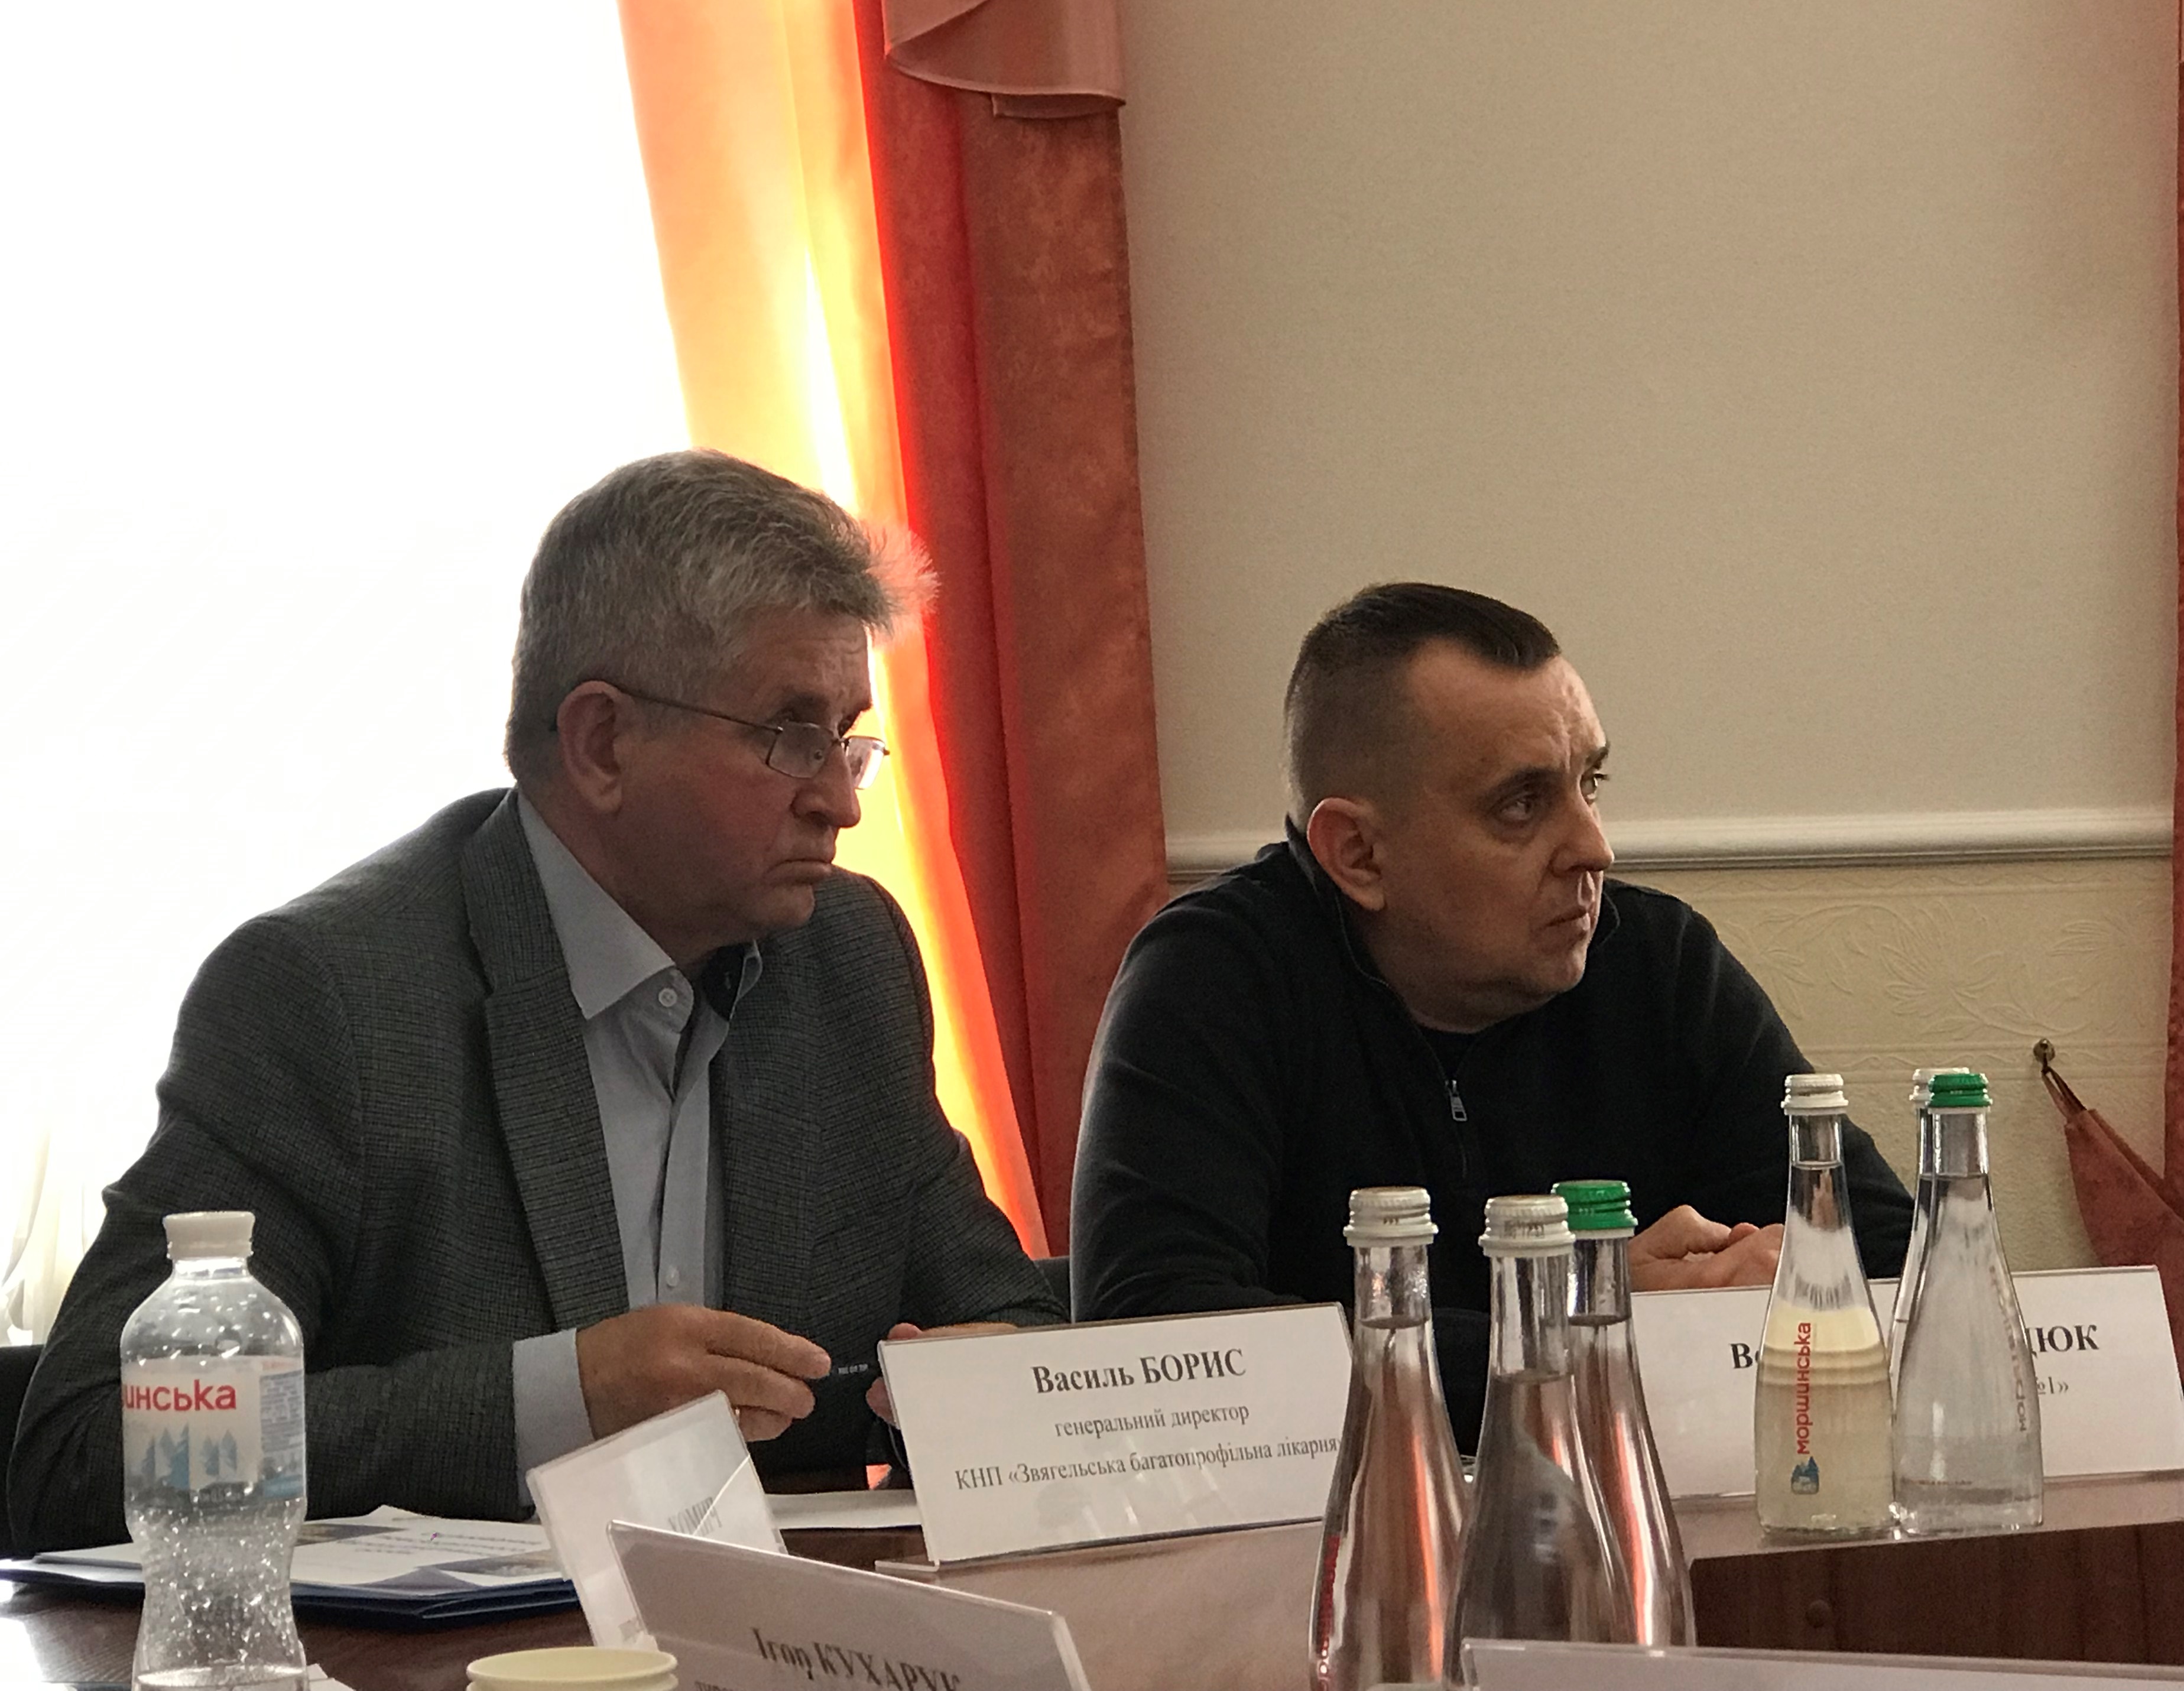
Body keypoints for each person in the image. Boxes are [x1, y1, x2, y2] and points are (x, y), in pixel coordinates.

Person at [12, 449, 1060, 1549]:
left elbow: (1009, 1322)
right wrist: (560, 1402)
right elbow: (90, 1456)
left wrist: (986, 1390)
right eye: (791, 738)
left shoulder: (844, 960)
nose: (840, 803)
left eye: (849, 742)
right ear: (602, 743)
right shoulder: (329, 997)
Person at [1070, 582, 1910, 1446]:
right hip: (1332, 1522)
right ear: (1358, 855)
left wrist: (1734, 1299)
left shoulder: (1657, 964)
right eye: (1521, 804)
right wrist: (1586, 1330)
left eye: (1591, 783)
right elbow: (1158, 1346)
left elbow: (1893, 1267)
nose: (1593, 848)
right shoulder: (1212, 979)